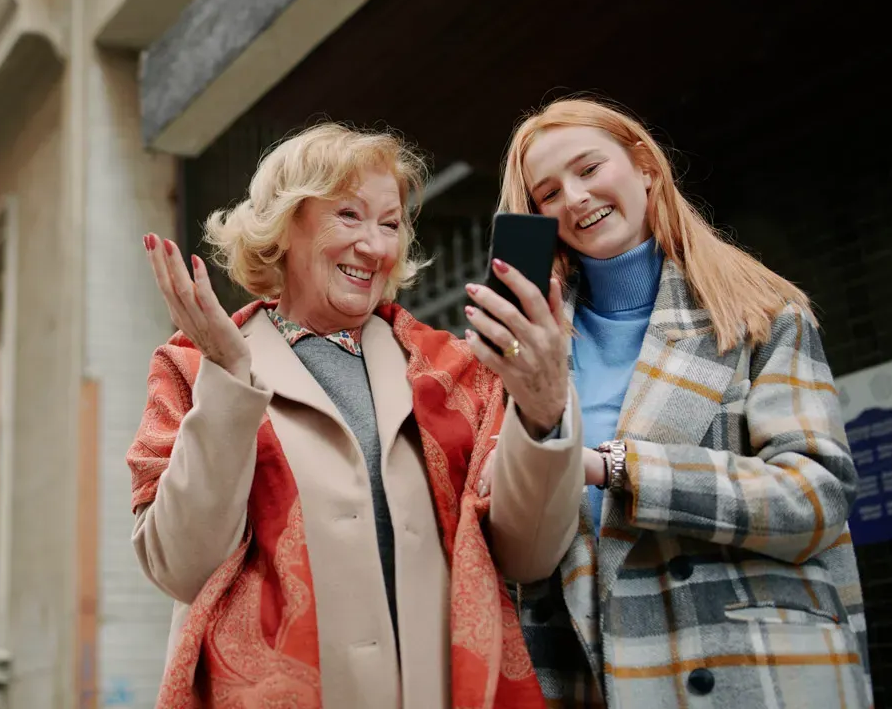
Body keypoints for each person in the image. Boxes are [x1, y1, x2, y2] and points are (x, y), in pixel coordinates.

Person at [126, 122, 583, 709]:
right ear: (286, 224)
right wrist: (228, 375)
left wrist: (543, 411)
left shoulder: (453, 369)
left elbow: (530, 554)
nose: (376, 246)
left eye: (389, 223)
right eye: (349, 216)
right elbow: (179, 567)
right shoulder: (191, 368)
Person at [479, 97, 870, 708]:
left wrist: (617, 467)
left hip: (752, 671)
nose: (575, 198)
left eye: (589, 169)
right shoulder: (533, 350)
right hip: (591, 676)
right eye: (548, 193)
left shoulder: (761, 316)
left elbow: (815, 498)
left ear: (645, 167)